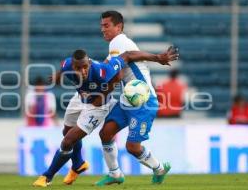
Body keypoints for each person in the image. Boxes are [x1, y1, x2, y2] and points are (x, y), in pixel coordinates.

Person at [32, 48, 178, 187]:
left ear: (88, 62)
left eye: (85, 67)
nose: (82, 71)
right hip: (81, 98)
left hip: (98, 106)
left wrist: (157, 58)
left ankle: (47, 176)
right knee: (67, 131)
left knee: (68, 141)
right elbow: (63, 70)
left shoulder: (102, 70)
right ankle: (78, 164)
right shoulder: (67, 64)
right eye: (78, 68)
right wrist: (58, 77)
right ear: (73, 65)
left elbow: (126, 58)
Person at [95, 10, 174, 186]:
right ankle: (115, 174)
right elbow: (107, 67)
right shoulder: (116, 46)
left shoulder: (119, 41)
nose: (103, 29)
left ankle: (159, 168)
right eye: (101, 26)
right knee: (106, 133)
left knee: (132, 147)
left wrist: (157, 58)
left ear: (119, 26)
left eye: (106, 26)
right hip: (128, 99)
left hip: (142, 100)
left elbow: (126, 59)